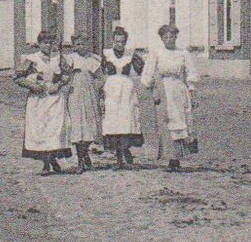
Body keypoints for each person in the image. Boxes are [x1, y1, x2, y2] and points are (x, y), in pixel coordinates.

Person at [144, 23, 200, 172]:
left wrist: (192, 93)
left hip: (179, 90)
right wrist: (153, 91)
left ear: (176, 37)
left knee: (181, 121)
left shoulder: (183, 53)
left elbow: (191, 74)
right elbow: (148, 74)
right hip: (163, 89)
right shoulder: (156, 53)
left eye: (172, 37)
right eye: (166, 37)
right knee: (166, 121)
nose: (169, 40)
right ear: (162, 39)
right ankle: (170, 157)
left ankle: (178, 157)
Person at [16, 29, 70, 175]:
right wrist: (32, 85)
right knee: (41, 129)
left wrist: (58, 85)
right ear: (39, 43)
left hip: (55, 98)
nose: (48, 46)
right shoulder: (32, 59)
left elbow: (67, 75)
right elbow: (18, 77)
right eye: (45, 43)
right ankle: (46, 163)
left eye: (50, 43)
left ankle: (52, 158)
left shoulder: (59, 58)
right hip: (38, 100)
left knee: (54, 129)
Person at [100, 25, 146, 169]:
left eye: (122, 41)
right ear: (113, 41)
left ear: (126, 41)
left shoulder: (131, 54)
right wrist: (101, 91)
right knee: (113, 121)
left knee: (127, 119)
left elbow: (143, 70)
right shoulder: (106, 54)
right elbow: (100, 73)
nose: (120, 44)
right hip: (111, 87)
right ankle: (118, 158)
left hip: (126, 88)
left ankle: (126, 149)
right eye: (117, 41)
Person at [60, 31, 103, 173]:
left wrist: (98, 89)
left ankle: (85, 153)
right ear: (73, 45)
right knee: (78, 125)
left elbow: (99, 77)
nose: (81, 46)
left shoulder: (94, 59)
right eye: (78, 44)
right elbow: (63, 74)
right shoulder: (71, 58)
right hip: (75, 94)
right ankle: (80, 159)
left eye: (84, 43)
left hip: (90, 94)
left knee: (90, 125)